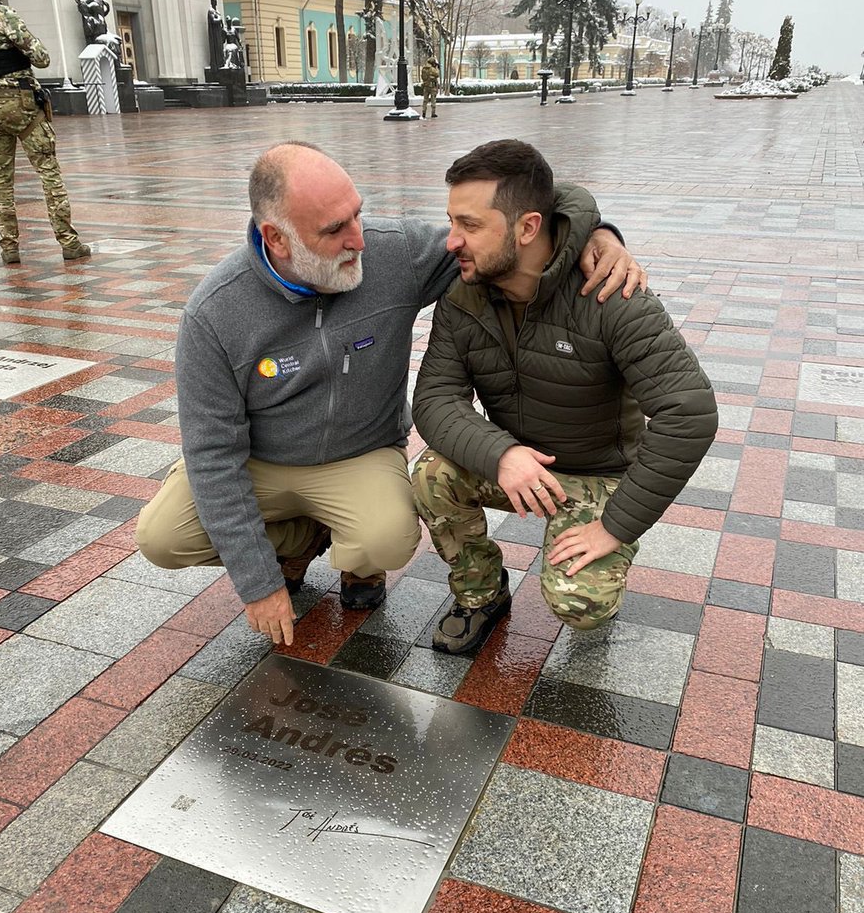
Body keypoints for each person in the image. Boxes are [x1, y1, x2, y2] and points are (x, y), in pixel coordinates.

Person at [135, 141, 646, 647]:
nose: (359, 239)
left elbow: (508, 223)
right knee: (161, 538)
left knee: (388, 536)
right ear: (278, 239)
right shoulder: (215, 313)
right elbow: (212, 455)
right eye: (335, 230)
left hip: (358, 457)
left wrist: (595, 233)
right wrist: (258, 583)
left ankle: (350, 552)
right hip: (257, 463)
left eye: (357, 214)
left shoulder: (394, 252)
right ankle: (307, 536)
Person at [411, 139, 718, 655]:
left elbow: (688, 413)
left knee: (579, 605)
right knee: (430, 476)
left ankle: (601, 548)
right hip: (517, 463)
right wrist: (500, 453)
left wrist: (615, 527)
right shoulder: (463, 295)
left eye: (469, 225)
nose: (451, 242)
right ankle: (481, 594)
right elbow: (436, 398)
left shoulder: (610, 294)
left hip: (597, 475)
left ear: (528, 227)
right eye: (452, 222)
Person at [0, 0, 90, 265]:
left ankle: (9, 248)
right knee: (49, 173)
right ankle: (69, 242)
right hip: (21, 107)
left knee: (0, 181)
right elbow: (41, 56)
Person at [421, 54, 439, 119]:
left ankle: (423, 112)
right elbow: (437, 74)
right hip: (432, 86)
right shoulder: (432, 69)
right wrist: (436, 68)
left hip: (426, 86)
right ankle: (433, 113)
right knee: (433, 100)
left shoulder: (424, 68)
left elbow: (422, 77)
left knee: (425, 100)